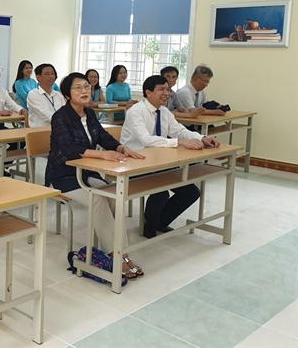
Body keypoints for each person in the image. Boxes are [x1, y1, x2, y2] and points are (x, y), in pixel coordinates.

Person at [45, 72, 145, 279]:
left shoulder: (89, 114)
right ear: (66, 94)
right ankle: (117, 255)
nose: (84, 91)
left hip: (86, 170)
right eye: (78, 88)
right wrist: (103, 155)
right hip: (63, 174)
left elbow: (103, 136)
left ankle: (120, 250)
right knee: (98, 199)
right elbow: (69, 148)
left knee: (114, 196)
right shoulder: (60, 117)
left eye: (86, 87)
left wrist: (120, 148)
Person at [121, 75, 221, 238]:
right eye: (161, 89)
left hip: (160, 161)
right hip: (135, 162)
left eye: (168, 89)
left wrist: (202, 138)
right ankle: (149, 226)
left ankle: (159, 221)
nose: (166, 93)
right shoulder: (136, 112)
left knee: (191, 192)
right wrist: (179, 142)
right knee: (161, 192)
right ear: (148, 92)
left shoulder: (164, 112)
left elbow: (180, 131)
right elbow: (146, 140)